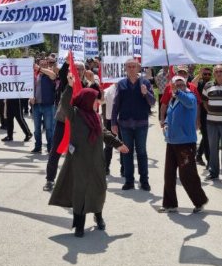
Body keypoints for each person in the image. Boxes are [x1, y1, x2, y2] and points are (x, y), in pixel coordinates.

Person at [49, 88, 128, 237]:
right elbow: (64, 102)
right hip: (79, 160)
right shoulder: (74, 114)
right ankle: (79, 224)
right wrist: (70, 87)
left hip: (97, 160)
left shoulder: (97, 117)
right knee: (80, 191)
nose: (97, 102)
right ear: (86, 100)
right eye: (94, 99)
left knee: (100, 188)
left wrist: (119, 144)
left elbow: (105, 133)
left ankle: (98, 216)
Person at [44, 61, 98, 191]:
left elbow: (98, 97)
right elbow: (62, 72)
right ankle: (50, 180)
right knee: (55, 151)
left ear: (84, 71)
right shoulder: (66, 81)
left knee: (79, 153)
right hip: (63, 121)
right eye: (75, 68)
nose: (77, 71)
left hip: (79, 124)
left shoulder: (87, 85)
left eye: (80, 69)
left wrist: (94, 82)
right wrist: (68, 61)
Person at [160, 75, 208, 213]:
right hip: (172, 141)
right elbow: (170, 115)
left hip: (185, 142)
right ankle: (170, 204)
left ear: (185, 85)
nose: (179, 86)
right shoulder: (173, 100)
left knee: (187, 174)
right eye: (176, 84)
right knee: (169, 174)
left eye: (181, 84)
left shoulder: (190, 96)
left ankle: (199, 201)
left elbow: (190, 103)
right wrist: (166, 124)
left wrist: (179, 92)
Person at [111, 58, 155, 191]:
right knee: (126, 152)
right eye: (129, 66)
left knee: (142, 152)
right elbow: (115, 104)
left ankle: (144, 181)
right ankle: (129, 181)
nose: (131, 68)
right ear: (125, 68)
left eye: (133, 66)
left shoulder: (145, 83)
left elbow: (153, 102)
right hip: (125, 124)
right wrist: (113, 122)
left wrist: (145, 93)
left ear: (138, 68)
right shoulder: (121, 84)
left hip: (141, 123)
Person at [30, 57, 57, 153]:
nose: (42, 66)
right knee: (37, 129)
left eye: (45, 65)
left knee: (49, 128)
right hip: (36, 105)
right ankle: (38, 146)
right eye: (41, 65)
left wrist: (40, 69)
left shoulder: (50, 75)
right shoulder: (35, 76)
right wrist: (30, 98)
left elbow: (53, 76)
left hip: (48, 106)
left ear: (48, 66)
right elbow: (29, 89)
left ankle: (50, 147)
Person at [194, 67, 213, 166]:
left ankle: (198, 155)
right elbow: (191, 85)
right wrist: (199, 74)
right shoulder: (200, 83)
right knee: (206, 137)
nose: (207, 76)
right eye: (205, 74)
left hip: (211, 113)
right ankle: (210, 161)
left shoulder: (212, 84)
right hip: (200, 113)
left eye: (209, 74)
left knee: (207, 136)